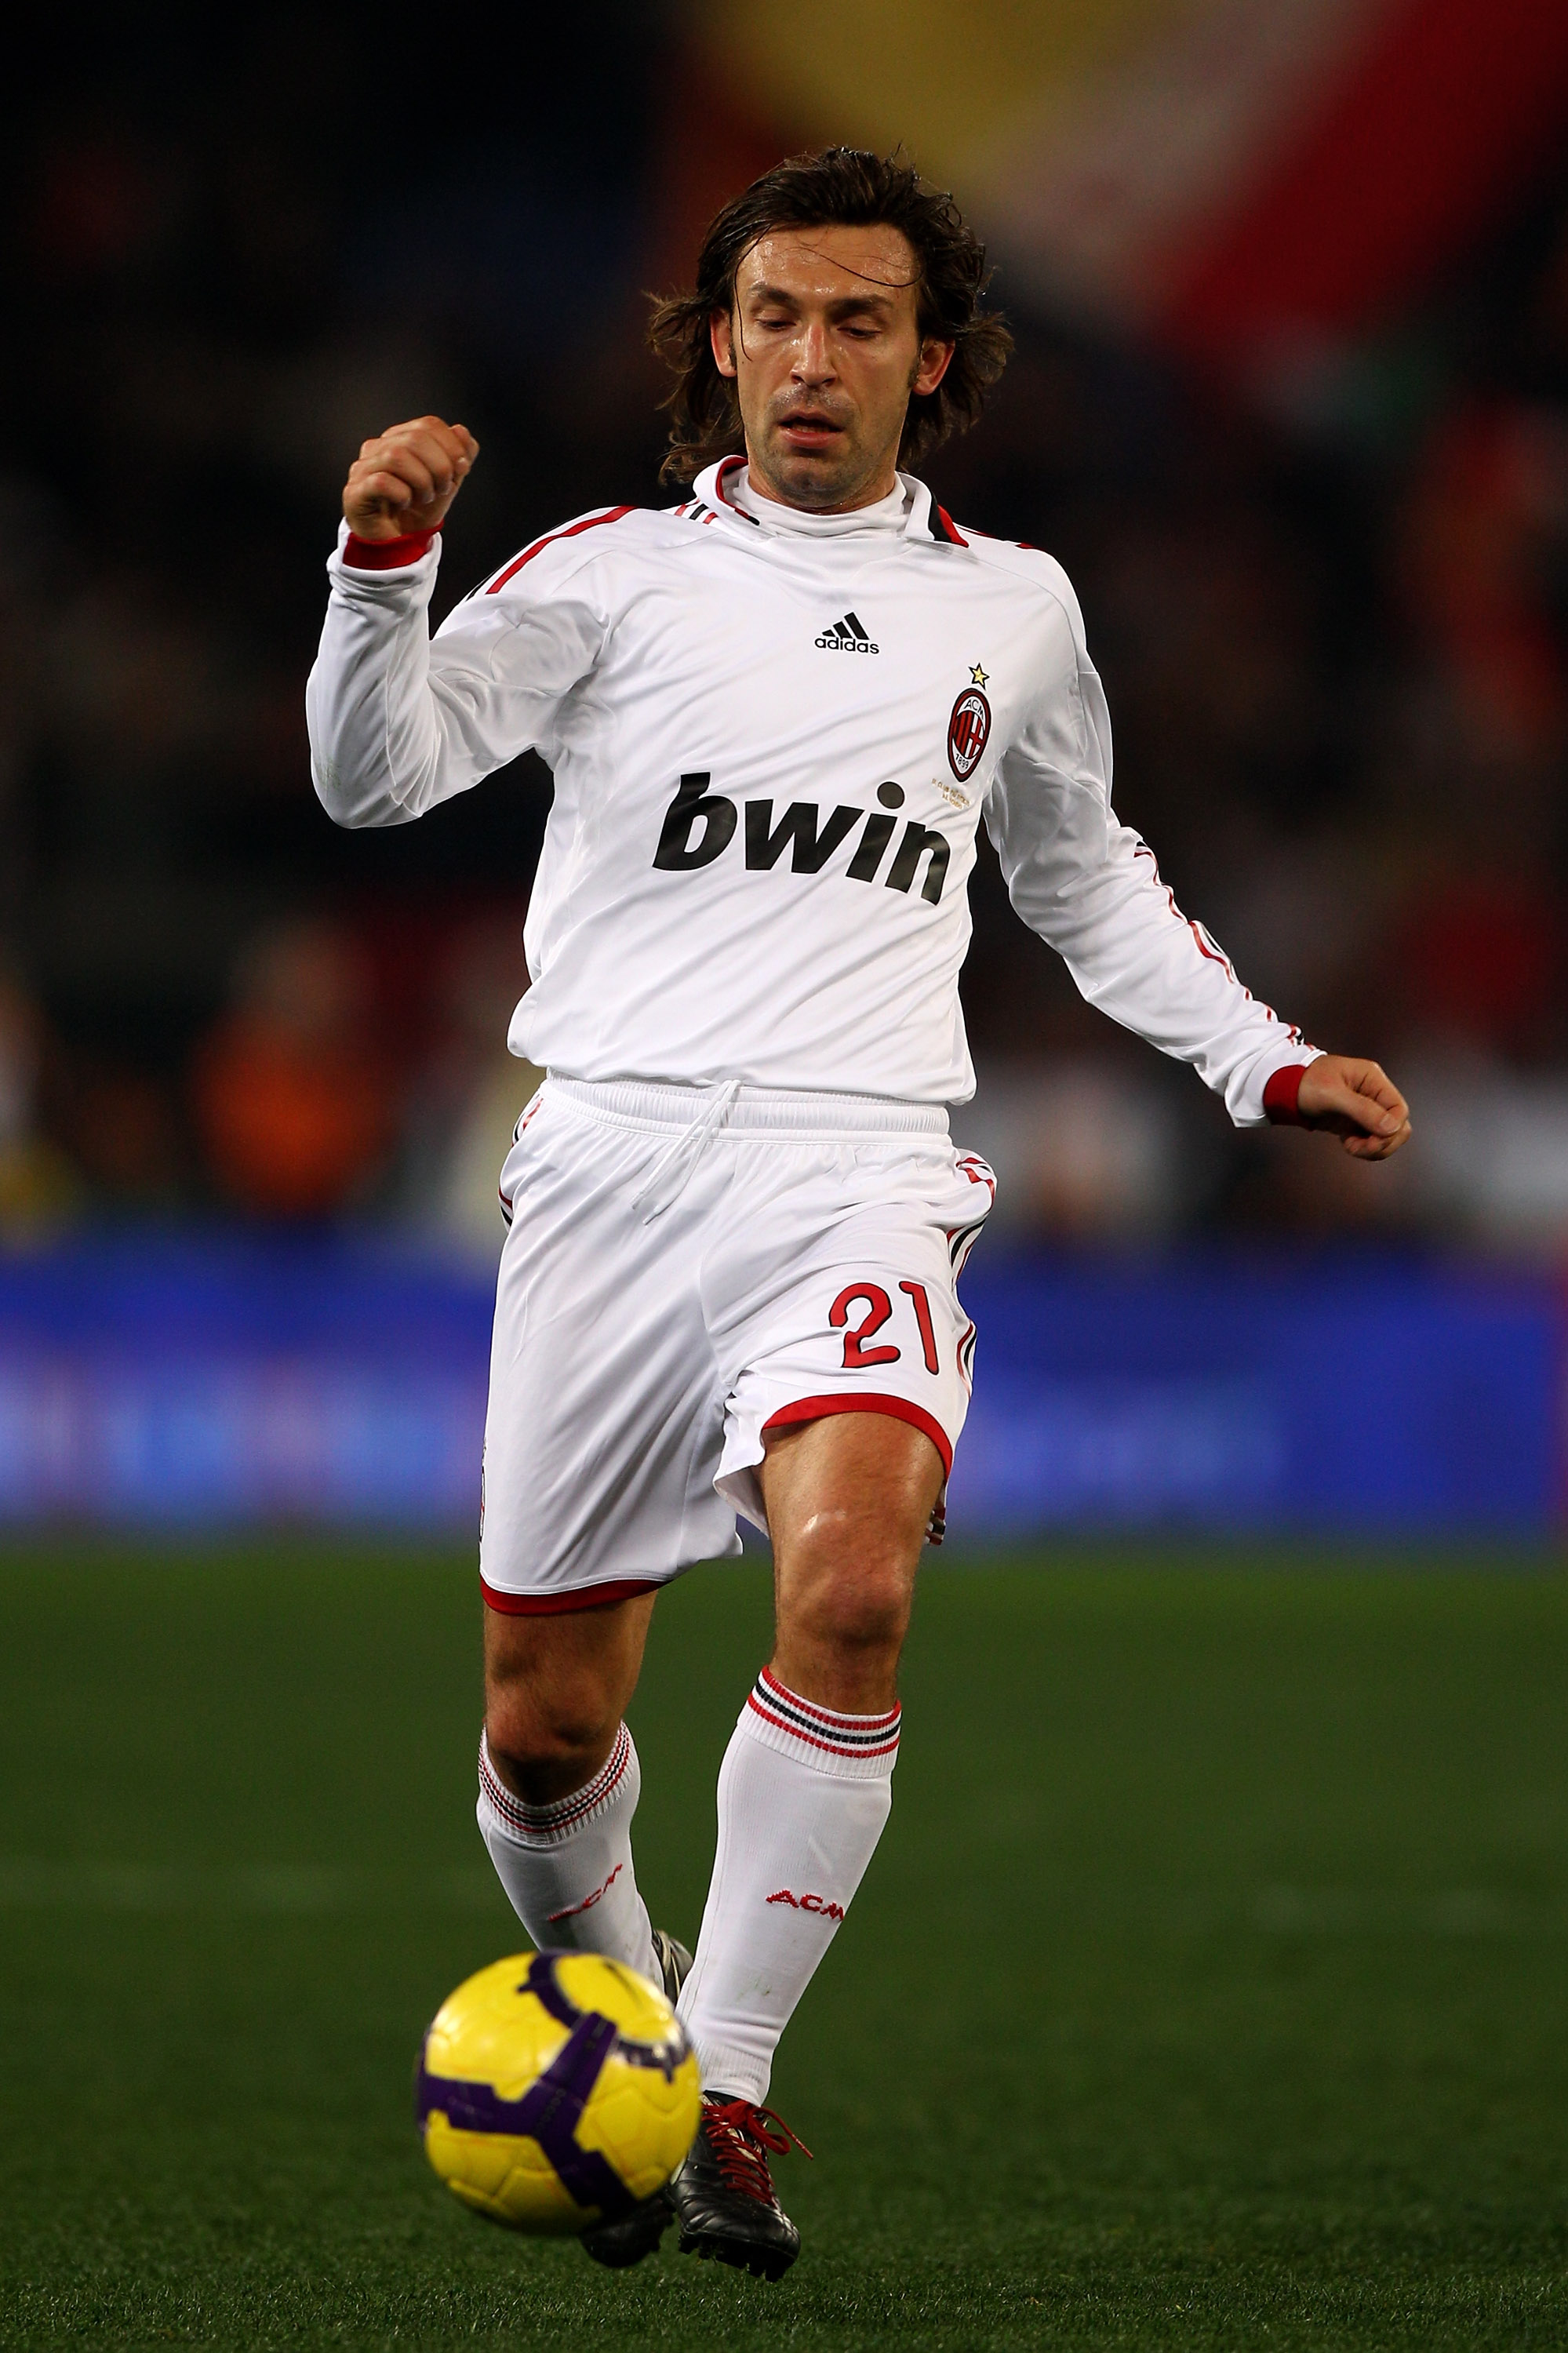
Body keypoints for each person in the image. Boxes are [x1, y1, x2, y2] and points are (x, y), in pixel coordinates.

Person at [306, 147, 1410, 2281]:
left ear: (935, 357)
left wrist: (1256, 1056)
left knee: (857, 1592)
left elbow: (1082, 876)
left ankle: (710, 2090)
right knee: (544, 1734)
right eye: (779, 318)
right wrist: (381, 572)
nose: (815, 361)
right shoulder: (605, 574)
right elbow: (374, 779)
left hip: (862, 1160)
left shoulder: (1015, 608)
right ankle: (625, 2051)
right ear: (718, 344)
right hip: (612, 1162)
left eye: (863, 322)